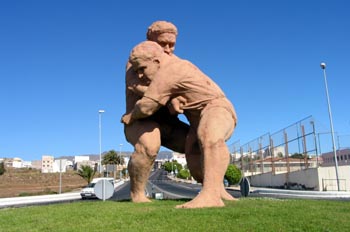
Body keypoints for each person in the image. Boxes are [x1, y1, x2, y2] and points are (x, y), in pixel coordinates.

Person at [122, 41, 238, 208]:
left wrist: (131, 116)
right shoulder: (157, 70)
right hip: (197, 120)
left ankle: (211, 196)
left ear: (157, 62)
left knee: (209, 136)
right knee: (193, 148)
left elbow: (147, 106)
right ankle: (216, 190)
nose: (140, 74)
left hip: (217, 108)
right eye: (137, 70)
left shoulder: (170, 71)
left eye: (143, 69)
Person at [124, 21, 190, 203]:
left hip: (169, 124)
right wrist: (171, 96)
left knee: (197, 142)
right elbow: (136, 85)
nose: (168, 49)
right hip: (139, 119)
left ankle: (210, 189)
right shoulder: (137, 59)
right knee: (150, 143)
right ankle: (137, 194)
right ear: (150, 40)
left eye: (172, 44)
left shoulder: (176, 64)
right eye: (162, 44)